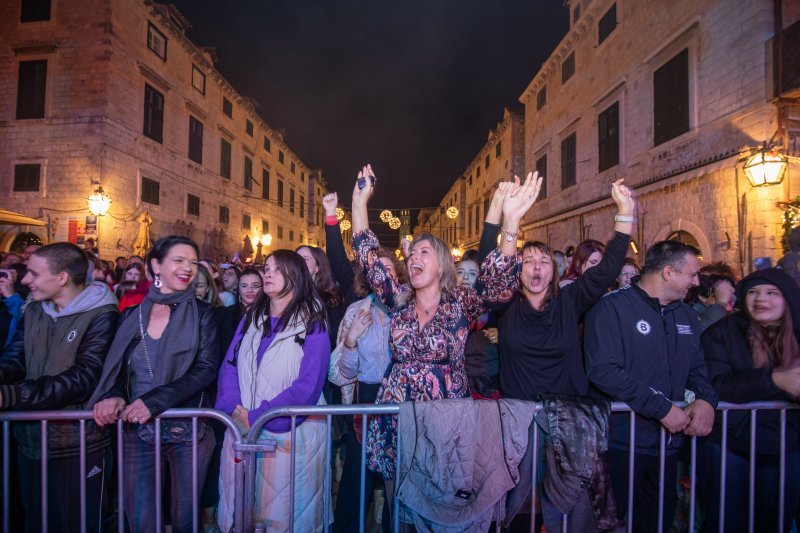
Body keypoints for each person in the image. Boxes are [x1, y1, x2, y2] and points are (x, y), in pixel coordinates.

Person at [350, 164, 529, 496]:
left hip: (446, 424)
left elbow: (498, 286)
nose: (413, 256)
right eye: (412, 252)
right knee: (398, 505)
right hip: (398, 420)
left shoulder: (461, 302)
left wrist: (512, 223)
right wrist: (359, 204)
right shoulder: (399, 300)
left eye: (424, 252)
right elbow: (370, 261)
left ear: (443, 263)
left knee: (441, 506)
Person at [497, 179, 635, 531]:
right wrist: (504, 218)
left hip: (570, 425)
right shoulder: (504, 305)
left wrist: (625, 214)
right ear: (518, 270)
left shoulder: (569, 301)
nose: (537, 267)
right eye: (528, 261)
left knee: (568, 508)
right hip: (520, 423)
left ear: (554, 271)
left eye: (544, 261)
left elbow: (605, 271)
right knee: (515, 504)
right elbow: (490, 259)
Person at [585, 240, 719, 533]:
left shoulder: (685, 315)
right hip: (620, 446)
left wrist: (706, 400)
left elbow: (697, 370)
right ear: (669, 272)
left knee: (658, 521)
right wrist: (660, 409)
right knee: (608, 524)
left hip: (668, 449)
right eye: (692, 274)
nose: (696, 282)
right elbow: (603, 371)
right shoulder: (613, 308)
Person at [90, 235, 220, 533]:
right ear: (155, 266)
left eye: (192, 262)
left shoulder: (204, 315)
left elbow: (205, 370)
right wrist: (111, 395)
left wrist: (153, 401)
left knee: (184, 517)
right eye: (178, 260)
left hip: (187, 428)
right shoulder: (130, 316)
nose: (187, 268)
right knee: (140, 516)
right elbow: (117, 370)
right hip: (137, 430)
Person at [0, 242, 119, 533]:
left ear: (62, 277)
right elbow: (16, 360)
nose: (25, 280)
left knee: (78, 522)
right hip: (31, 441)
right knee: (37, 521)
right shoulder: (34, 311)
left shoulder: (102, 314)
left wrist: (12, 395)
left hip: (78, 443)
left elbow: (84, 377)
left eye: (34, 274)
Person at [215, 250, 330, 532]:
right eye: (266, 268)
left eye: (277, 269)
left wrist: (259, 417)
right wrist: (233, 412)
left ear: (295, 275)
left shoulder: (313, 322)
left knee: (284, 516)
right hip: (241, 427)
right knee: (242, 514)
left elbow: (307, 386)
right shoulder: (251, 318)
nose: (267, 273)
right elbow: (229, 365)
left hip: (290, 436)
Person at [700, 268, 800, 532]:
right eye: (753, 292)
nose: (761, 299)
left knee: (775, 520)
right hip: (731, 441)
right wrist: (775, 381)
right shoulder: (720, 333)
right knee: (724, 520)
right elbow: (716, 385)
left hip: (786, 443)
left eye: (772, 293)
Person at [331, 247, 405, 532]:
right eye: (378, 270)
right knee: (356, 478)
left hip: (401, 397)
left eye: (389, 270)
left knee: (397, 480)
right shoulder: (355, 311)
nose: (384, 275)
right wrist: (350, 340)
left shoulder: (410, 309)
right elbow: (346, 373)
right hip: (368, 398)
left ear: (397, 276)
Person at [687, 266, 736, 334]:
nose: (726, 294)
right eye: (720, 291)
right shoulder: (692, 318)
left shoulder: (736, 315)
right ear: (702, 296)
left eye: (728, 287)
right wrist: (721, 303)